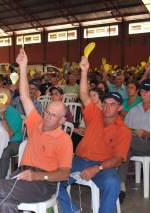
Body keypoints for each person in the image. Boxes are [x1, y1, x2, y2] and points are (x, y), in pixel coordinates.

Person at [0, 49, 73, 213]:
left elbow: (64, 174)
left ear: (62, 120)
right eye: (46, 112)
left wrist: (38, 176)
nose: (47, 117)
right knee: (5, 204)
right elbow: (25, 96)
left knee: (0, 186)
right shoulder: (36, 123)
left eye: (53, 116)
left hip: (43, 183)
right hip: (23, 173)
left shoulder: (64, 140)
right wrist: (23, 66)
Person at [58, 56, 132, 213]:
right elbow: (84, 95)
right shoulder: (95, 115)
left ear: (119, 108)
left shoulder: (123, 130)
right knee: (52, 181)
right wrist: (84, 71)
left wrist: (97, 168)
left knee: (113, 184)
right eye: (105, 103)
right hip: (79, 161)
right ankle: (72, 211)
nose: (107, 107)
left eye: (112, 105)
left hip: (103, 165)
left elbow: (118, 159)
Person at [117, 78, 150, 204]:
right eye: (142, 91)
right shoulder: (134, 110)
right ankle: (120, 187)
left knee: (124, 142)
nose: (143, 94)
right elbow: (125, 129)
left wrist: (147, 133)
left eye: (147, 91)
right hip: (133, 143)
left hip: (148, 143)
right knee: (124, 149)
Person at [0, 88, 23, 180]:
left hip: (13, 142)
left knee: (3, 152)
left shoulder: (14, 114)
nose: (0, 100)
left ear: (9, 99)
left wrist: (2, 116)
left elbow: (9, 134)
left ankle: (0, 182)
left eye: (2, 97)